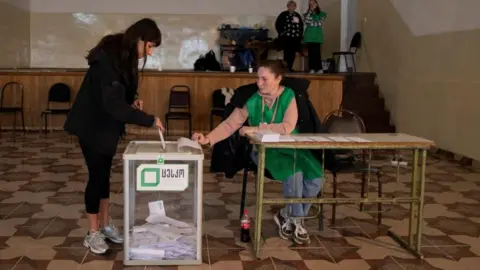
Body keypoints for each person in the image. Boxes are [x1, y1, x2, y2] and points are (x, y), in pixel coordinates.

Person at [192, 60, 323, 245]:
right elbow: (231, 124)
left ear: (278, 78)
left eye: (264, 79)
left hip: (293, 148)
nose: (259, 83)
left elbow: (287, 127)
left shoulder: (289, 95)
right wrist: (208, 139)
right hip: (265, 150)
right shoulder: (252, 99)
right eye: (257, 78)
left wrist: (254, 128)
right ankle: (297, 221)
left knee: (316, 177)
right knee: (295, 173)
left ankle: (286, 214)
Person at [63, 18, 165, 254]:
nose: (149, 52)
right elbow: (112, 104)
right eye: (149, 46)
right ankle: (92, 232)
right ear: (139, 39)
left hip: (107, 126)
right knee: (96, 177)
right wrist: (149, 119)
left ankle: (106, 225)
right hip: (91, 125)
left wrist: (131, 101)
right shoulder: (108, 58)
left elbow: (119, 96)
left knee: (105, 176)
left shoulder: (125, 56)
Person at [275, 1, 303, 72]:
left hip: (294, 38)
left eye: (293, 6)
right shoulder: (283, 14)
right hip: (286, 38)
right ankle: (286, 67)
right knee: (286, 52)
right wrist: (281, 33)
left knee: (292, 53)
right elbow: (277, 24)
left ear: (295, 7)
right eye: (290, 6)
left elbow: (300, 26)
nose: (292, 7)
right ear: (288, 6)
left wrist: (300, 35)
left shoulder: (297, 15)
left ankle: (290, 67)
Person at [304, 0, 327, 73]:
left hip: (317, 36)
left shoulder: (322, 14)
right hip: (309, 35)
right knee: (311, 53)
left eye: (313, 3)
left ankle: (319, 68)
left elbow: (319, 23)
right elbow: (306, 21)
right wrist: (310, 12)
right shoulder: (307, 14)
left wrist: (311, 23)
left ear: (316, 4)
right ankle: (312, 68)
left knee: (317, 52)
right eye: (310, 4)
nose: (312, 5)